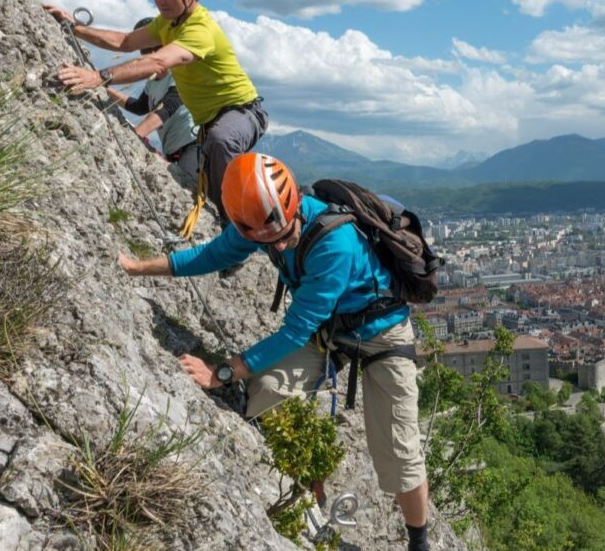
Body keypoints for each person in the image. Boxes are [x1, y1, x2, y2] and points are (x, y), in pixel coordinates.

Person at [118, 153, 431, 551]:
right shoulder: (258, 222)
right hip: (331, 331)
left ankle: (419, 542)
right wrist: (139, 267)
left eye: (285, 234)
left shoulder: (333, 244)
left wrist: (224, 372)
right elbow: (212, 255)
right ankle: (308, 481)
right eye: (270, 241)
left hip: (382, 335)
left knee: (398, 452)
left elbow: (295, 331)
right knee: (265, 391)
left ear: (294, 205)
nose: (281, 244)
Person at [43, 0, 268, 233]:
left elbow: (159, 61)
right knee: (214, 161)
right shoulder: (166, 24)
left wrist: (98, 77)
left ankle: (238, 228)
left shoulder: (200, 30)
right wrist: (74, 28)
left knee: (222, 141)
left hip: (243, 113)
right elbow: (125, 41)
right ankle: (230, 226)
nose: (160, 0)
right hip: (212, 124)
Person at [104, 17, 199, 189]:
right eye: (146, 50)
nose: (150, 54)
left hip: (193, 146)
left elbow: (168, 107)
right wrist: (105, 90)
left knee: (189, 191)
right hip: (174, 150)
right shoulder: (152, 81)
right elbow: (139, 107)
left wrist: (135, 134)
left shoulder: (179, 74)